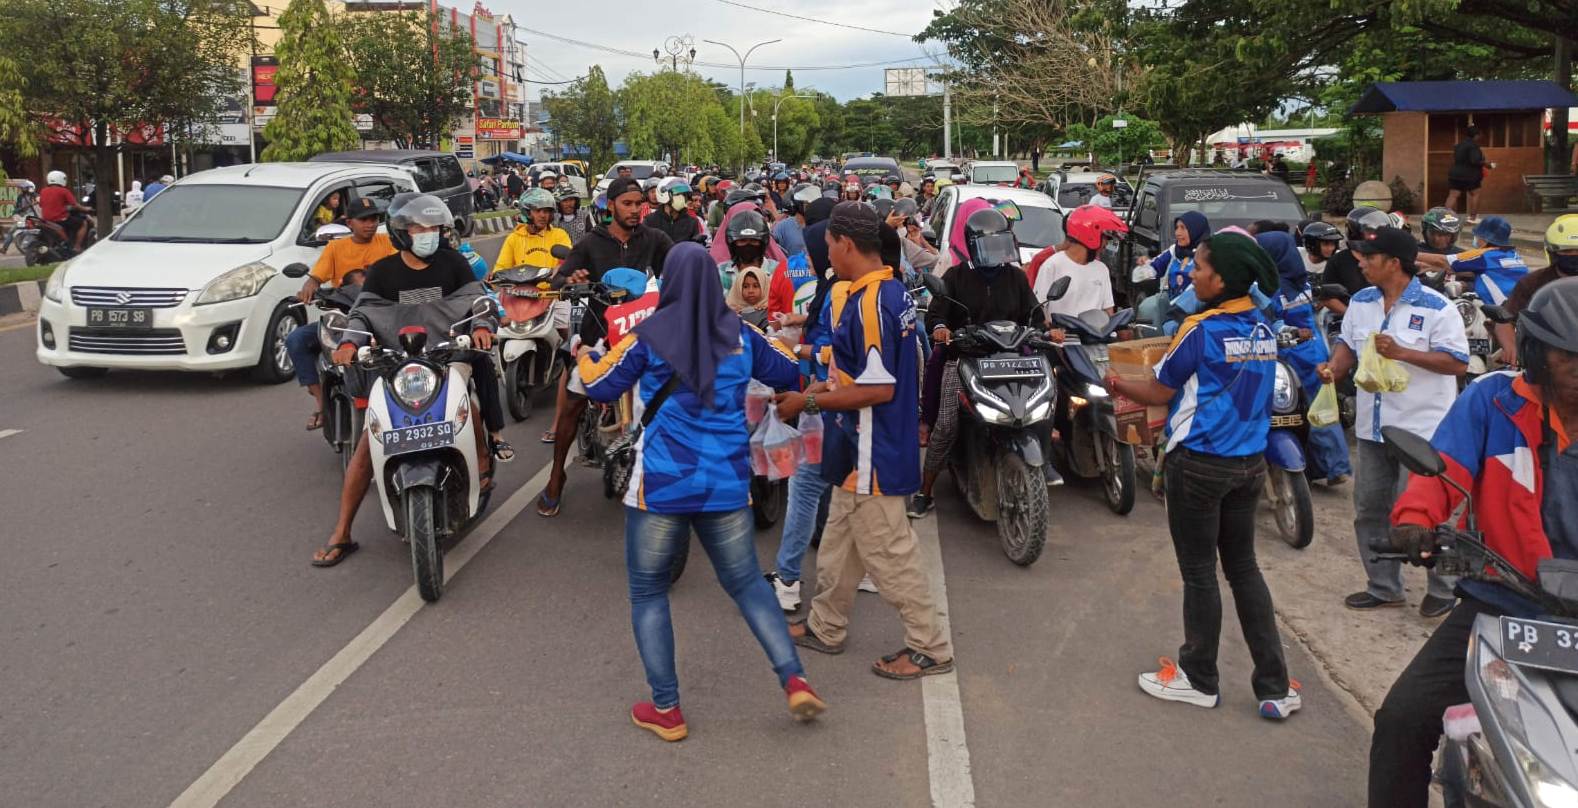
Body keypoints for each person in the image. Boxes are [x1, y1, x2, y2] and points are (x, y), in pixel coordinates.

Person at [575, 241, 825, 742]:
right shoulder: (740, 333)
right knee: (748, 584)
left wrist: (584, 356)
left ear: (667, 283)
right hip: (726, 484)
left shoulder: (648, 337)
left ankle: (666, 708)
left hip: (662, 486)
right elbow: (785, 370)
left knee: (647, 592)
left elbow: (599, 386)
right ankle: (793, 678)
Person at [1366, 277, 1578, 808]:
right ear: (1535, 351)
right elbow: (1442, 471)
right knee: (1401, 720)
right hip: (1505, 602)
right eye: (1566, 354)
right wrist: (1415, 519)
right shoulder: (1492, 401)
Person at [1105, 232, 1300, 719]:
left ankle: (1198, 678)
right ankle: (1275, 687)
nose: (1192, 274)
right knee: (1244, 569)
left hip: (1198, 464)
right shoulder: (1261, 328)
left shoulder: (1201, 329)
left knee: (1199, 573)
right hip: (1250, 465)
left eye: (1200, 268)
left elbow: (1157, 391)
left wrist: (1115, 381)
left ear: (1222, 278)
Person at [777, 202, 954, 680]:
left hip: (872, 451)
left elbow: (878, 388)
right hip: (856, 451)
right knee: (838, 545)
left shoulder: (871, 301)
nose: (825, 252)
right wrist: (820, 379)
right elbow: (856, 365)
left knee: (891, 556)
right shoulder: (883, 291)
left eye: (829, 244)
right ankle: (825, 626)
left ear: (846, 244)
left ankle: (930, 647)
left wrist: (806, 405)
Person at [310, 193, 500, 567]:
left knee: (467, 408)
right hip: (396, 364)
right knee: (368, 442)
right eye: (418, 228)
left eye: (433, 228)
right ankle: (342, 532)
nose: (427, 235)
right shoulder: (383, 272)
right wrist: (350, 342)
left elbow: (479, 301)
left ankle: (481, 462)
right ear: (400, 233)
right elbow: (363, 316)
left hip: (446, 356)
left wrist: (480, 325)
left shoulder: (453, 262)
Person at [1316, 226, 1468, 617]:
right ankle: (1384, 587)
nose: (1361, 263)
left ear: (1394, 263)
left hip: (1423, 431)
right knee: (1369, 509)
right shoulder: (1362, 302)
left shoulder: (1437, 308)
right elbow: (1348, 344)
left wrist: (1403, 352)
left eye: (1369, 257)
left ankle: (1444, 588)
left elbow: (1456, 362)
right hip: (1373, 428)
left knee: (1430, 514)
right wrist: (1334, 367)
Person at [538, 177, 674, 516]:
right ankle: (556, 476)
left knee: (672, 396)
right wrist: (571, 280)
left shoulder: (654, 239)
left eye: (637, 203)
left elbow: (676, 268)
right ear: (610, 206)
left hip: (645, 336)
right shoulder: (589, 243)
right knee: (572, 401)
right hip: (599, 336)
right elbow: (559, 277)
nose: (633, 210)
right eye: (626, 204)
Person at [908, 206, 1049, 518]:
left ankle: (1044, 464)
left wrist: (1046, 332)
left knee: (1040, 409)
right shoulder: (956, 277)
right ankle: (925, 490)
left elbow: (1034, 316)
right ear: (972, 246)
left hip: (1011, 361)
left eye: (1001, 245)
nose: (996, 254)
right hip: (965, 362)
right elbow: (936, 314)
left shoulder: (1015, 276)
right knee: (945, 426)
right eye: (989, 246)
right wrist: (942, 329)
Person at [285, 197, 395, 429]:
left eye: (374, 219)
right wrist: (308, 288)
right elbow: (316, 278)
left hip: (381, 316)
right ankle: (321, 404)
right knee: (296, 340)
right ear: (349, 222)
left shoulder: (387, 243)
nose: (370, 224)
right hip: (343, 320)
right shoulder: (336, 248)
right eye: (364, 220)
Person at [1257, 231, 1352, 485]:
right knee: (1322, 411)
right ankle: (1333, 466)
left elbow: (1270, 321)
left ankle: (1323, 466)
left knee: (1295, 412)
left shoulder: (1270, 287)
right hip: (1314, 351)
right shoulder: (1302, 282)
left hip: (1290, 354)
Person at [1498, 214, 1578, 364]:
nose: (1574, 255)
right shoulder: (1533, 282)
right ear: (1553, 253)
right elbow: (1505, 320)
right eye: (1567, 251)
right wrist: (1511, 348)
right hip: (1547, 358)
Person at [1029, 204, 1125, 316]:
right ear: (1090, 234)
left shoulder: (1102, 269)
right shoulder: (1052, 265)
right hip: (1064, 332)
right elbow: (1039, 308)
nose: (1107, 243)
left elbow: (1108, 311)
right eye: (1106, 237)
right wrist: (1052, 330)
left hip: (1095, 332)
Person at [1417, 214, 1529, 306]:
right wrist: (1432, 267)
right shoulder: (1513, 255)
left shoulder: (1484, 255)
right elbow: (1483, 272)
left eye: (1477, 236)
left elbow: (1443, 261)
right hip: (1521, 306)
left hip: (1501, 310)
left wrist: (1410, 252)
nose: (1475, 238)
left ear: (1485, 239)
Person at [1137, 211, 1210, 327]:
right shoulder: (1174, 251)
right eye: (1176, 228)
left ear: (1195, 230)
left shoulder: (1207, 254)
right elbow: (1154, 267)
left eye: (1183, 228)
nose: (1177, 233)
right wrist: (1145, 264)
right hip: (1171, 314)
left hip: (1195, 317)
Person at [495, 189, 571, 273]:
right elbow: (501, 268)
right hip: (523, 286)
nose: (542, 215)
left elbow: (568, 260)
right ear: (527, 212)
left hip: (552, 285)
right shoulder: (513, 239)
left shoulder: (559, 235)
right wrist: (495, 277)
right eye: (537, 210)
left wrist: (560, 268)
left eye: (546, 211)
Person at [38, 170, 93, 254]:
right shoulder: (64, 191)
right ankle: (77, 247)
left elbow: (41, 204)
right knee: (83, 223)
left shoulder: (43, 191)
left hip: (47, 220)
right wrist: (85, 209)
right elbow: (75, 205)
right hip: (61, 219)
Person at [1444, 125, 1486, 220]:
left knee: (1453, 195)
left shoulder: (1459, 145)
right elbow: (1474, 160)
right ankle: (1473, 217)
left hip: (1455, 173)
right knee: (1476, 193)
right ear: (1476, 136)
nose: (1480, 137)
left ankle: (1446, 217)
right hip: (1470, 175)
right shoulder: (1473, 146)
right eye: (1479, 135)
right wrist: (1486, 164)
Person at [641, 179, 703, 244]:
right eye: (678, 194)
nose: (682, 198)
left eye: (684, 195)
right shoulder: (650, 221)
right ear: (665, 195)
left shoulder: (692, 222)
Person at [726, 264, 771, 329]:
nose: (750, 291)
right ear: (738, 288)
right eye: (745, 286)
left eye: (755, 286)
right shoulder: (730, 312)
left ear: (764, 287)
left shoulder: (769, 313)